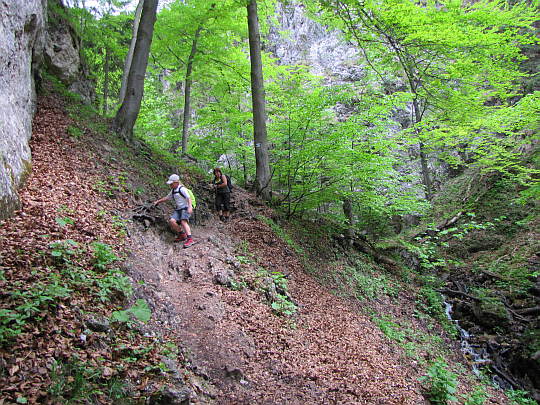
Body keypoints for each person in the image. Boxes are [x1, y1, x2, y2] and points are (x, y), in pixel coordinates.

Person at [154, 174, 194, 248]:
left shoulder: (182, 189)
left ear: (176, 182)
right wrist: (158, 201)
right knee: (172, 221)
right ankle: (182, 234)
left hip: (185, 207)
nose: (171, 185)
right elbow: (167, 198)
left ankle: (190, 239)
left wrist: (190, 208)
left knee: (183, 222)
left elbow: (189, 198)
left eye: (172, 183)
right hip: (179, 209)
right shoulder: (173, 191)